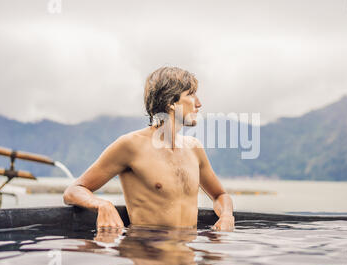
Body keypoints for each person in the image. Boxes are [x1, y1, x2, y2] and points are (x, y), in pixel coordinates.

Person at [63, 67, 235, 231]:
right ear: (171, 103)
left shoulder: (194, 148)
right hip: (148, 253)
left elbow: (220, 195)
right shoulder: (131, 145)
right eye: (191, 95)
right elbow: (74, 190)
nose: (199, 103)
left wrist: (227, 215)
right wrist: (102, 205)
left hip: (187, 254)